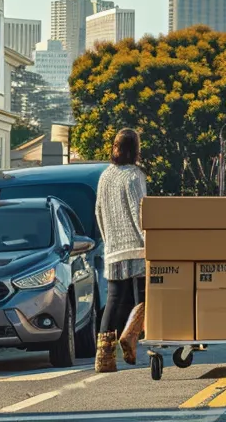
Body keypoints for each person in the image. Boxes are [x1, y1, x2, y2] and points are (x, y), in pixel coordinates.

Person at [94, 129, 148, 373]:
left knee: (113, 302)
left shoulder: (105, 176)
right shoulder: (135, 176)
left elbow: (98, 212)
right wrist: (149, 242)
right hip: (137, 247)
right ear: (135, 149)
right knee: (144, 299)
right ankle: (131, 338)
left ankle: (104, 357)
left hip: (114, 250)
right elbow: (141, 213)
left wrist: (109, 241)